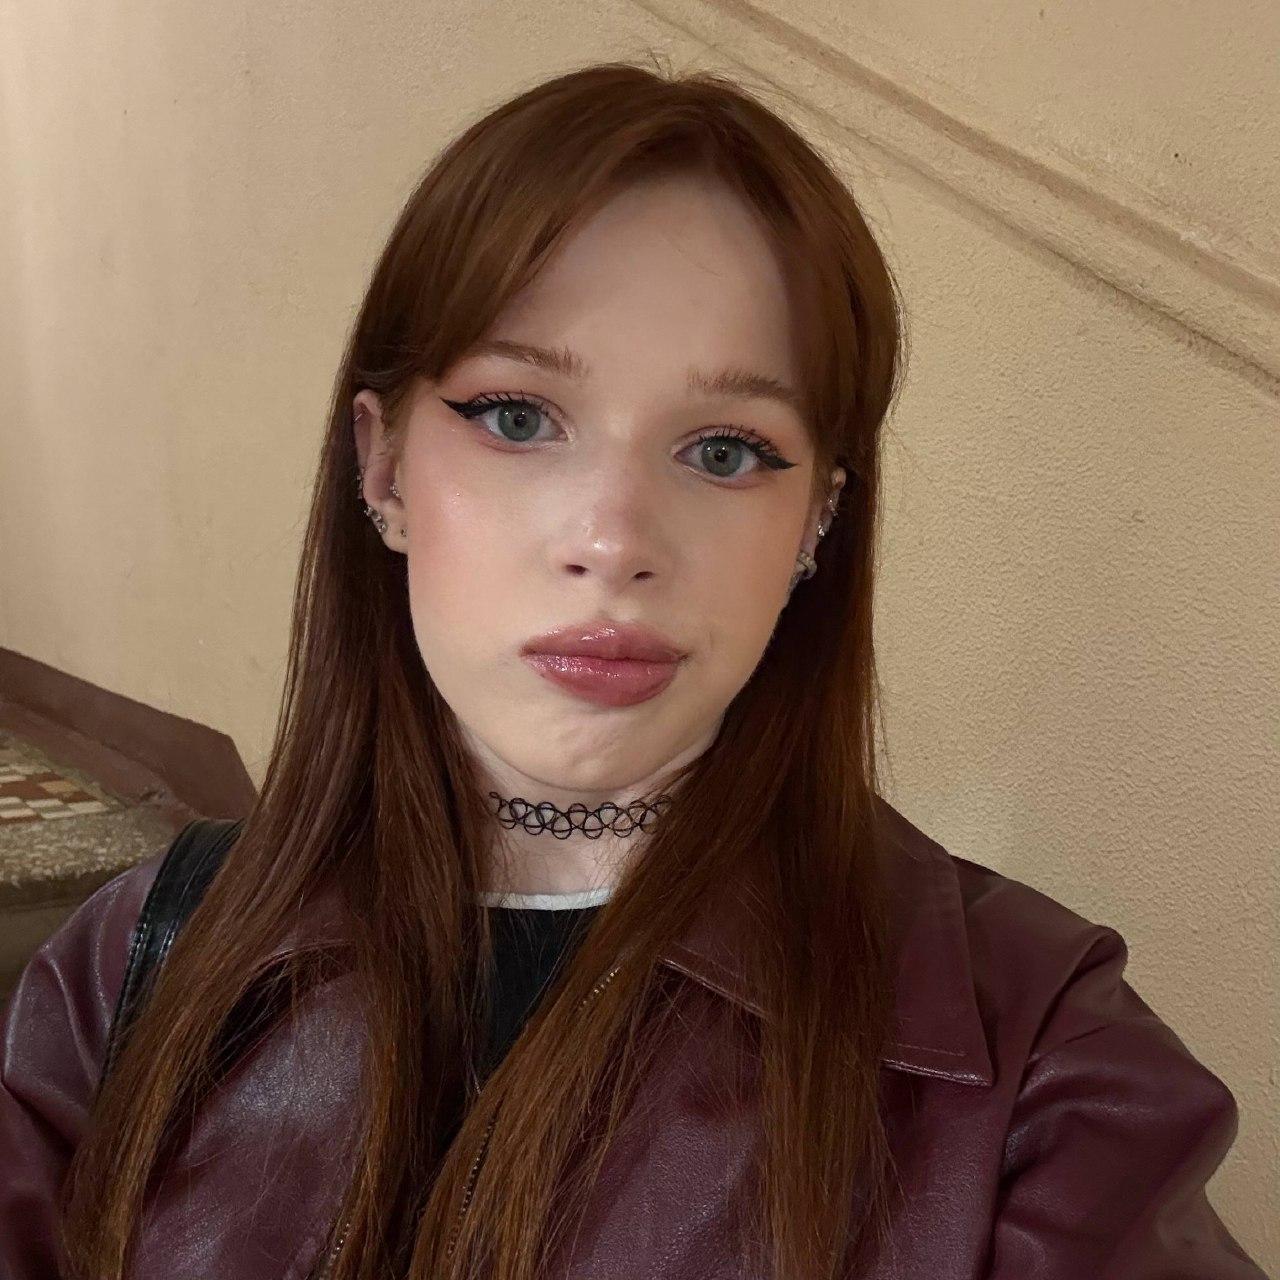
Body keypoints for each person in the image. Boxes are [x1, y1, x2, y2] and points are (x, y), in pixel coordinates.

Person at [0, 58, 1267, 1280]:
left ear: (816, 521)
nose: (613, 540)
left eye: (723, 449)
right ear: (382, 468)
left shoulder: (1033, 1052)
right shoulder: (137, 961)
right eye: (516, 417)